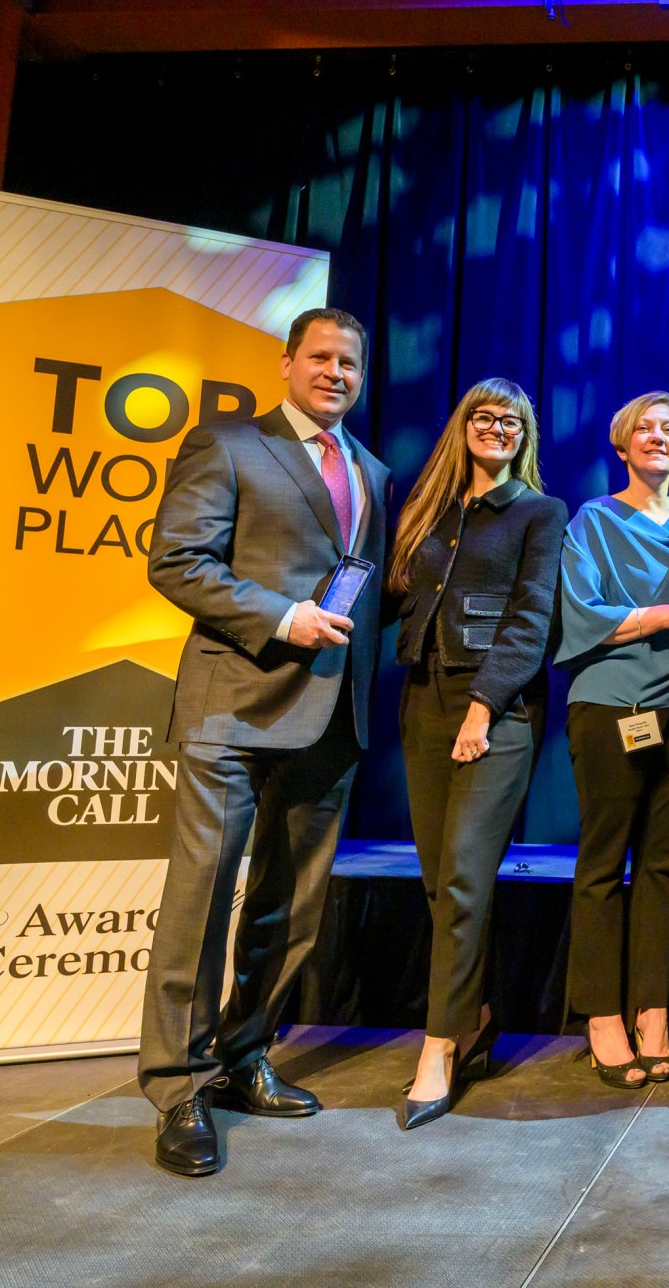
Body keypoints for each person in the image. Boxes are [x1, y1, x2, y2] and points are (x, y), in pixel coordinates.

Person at [140, 308, 390, 1177]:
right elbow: (176, 559)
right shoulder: (230, 445)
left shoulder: (373, 471)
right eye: (320, 357)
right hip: (233, 708)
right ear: (286, 363)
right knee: (202, 904)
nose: (336, 373)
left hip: (328, 718)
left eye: (350, 363)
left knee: (291, 910)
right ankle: (178, 1087)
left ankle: (244, 1057)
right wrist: (282, 616)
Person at [390, 379, 566, 1129]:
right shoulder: (429, 509)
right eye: (484, 417)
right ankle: (476, 1015)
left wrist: (483, 705)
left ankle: (437, 1050)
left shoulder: (539, 512)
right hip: (423, 702)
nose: (497, 428)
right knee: (439, 881)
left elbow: (532, 619)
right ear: (462, 427)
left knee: (463, 875)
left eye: (512, 420)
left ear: (526, 434)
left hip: (497, 710)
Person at [556, 392, 669, 1092]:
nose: (656, 437)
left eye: (667, 429)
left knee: (660, 867)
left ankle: (652, 1010)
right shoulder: (592, 519)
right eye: (642, 429)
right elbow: (582, 613)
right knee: (602, 865)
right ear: (621, 447)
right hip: (611, 705)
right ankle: (601, 1016)